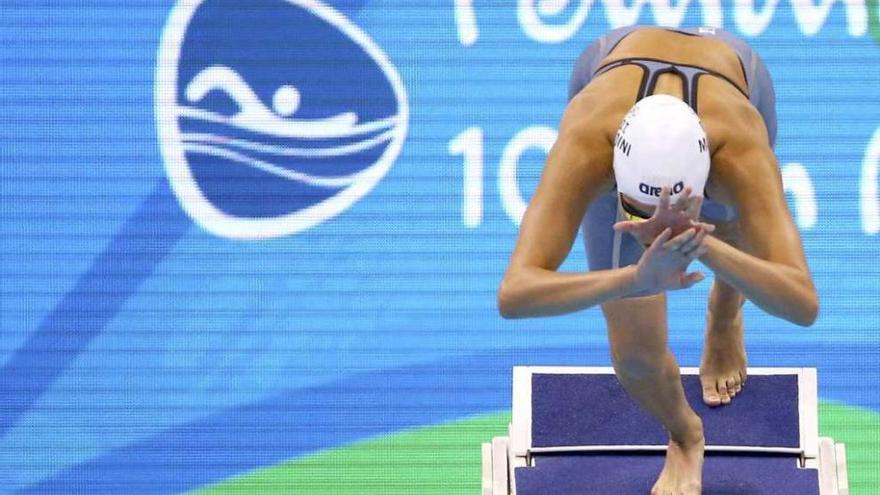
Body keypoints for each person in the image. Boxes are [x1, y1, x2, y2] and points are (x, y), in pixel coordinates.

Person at [497, 26, 818, 495]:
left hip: (735, 74)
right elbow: (515, 294)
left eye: (671, 223)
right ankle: (685, 435)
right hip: (610, 66)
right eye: (639, 215)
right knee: (636, 353)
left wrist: (703, 243)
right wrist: (631, 278)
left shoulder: (740, 148)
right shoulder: (589, 140)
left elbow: (802, 302)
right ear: (614, 179)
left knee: (738, 223)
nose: (656, 235)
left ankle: (724, 317)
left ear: (706, 174)